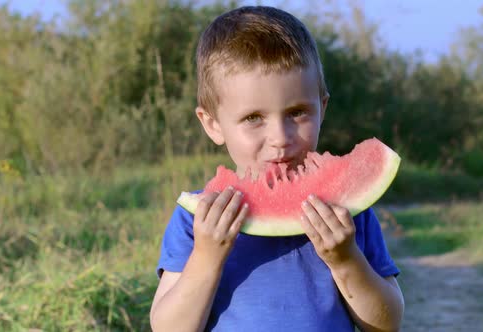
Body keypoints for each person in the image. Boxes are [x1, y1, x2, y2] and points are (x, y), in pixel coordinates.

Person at [150, 6, 404, 332]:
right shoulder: (197, 220)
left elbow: (386, 324)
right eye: (254, 118)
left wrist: (345, 258)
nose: (280, 139)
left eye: (297, 112)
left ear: (322, 107)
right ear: (212, 124)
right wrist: (207, 256)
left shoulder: (349, 215)